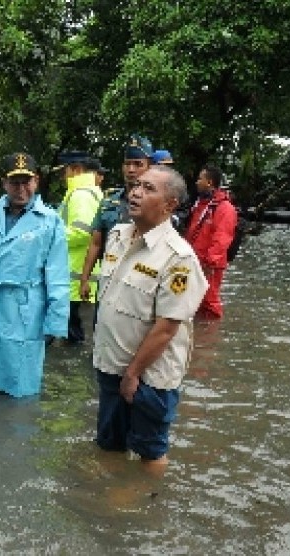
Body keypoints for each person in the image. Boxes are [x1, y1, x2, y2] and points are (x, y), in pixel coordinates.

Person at [94, 165, 208, 468]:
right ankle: (105, 507)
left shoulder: (178, 257)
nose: (135, 193)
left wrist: (133, 373)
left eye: (148, 189)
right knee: (109, 445)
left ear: (170, 204)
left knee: (150, 453)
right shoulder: (118, 235)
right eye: (136, 186)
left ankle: (149, 507)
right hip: (111, 366)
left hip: (148, 378)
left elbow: (167, 327)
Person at [0, 152, 69, 397]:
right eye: (14, 182)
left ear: (36, 182)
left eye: (26, 181)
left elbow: (58, 276)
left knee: (20, 388)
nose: (21, 188)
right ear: (4, 183)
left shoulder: (50, 221)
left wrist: (56, 322)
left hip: (25, 310)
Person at [79, 134, 154, 304]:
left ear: (150, 167)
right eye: (127, 164)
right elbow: (96, 243)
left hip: (142, 286)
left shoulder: (158, 204)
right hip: (108, 283)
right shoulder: (108, 202)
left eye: (138, 164)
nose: (131, 169)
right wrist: (84, 279)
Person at [57, 150, 103, 344]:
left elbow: (83, 232)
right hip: (77, 275)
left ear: (75, 169)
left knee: (71, 334)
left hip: (74, 277)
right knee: (71, 331)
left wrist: (50, 237)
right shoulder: (88, 192)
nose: (62, 176)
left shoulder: (80, 195)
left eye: (64, 171)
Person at [183, 164, 237, 319]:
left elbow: (222, 239)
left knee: (209, 302)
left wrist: (209, 263)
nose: (196, 182)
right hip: (194, 260)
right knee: (192, 300)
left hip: (209, 264)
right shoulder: (200, 205)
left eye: (200, 178)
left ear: (210, 182)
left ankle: (210, 340)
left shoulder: (224, 208)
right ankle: (200, 336)